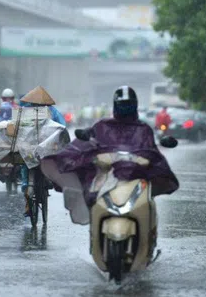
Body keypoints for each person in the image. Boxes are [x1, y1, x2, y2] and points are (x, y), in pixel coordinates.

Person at [41, 86, 179, 209]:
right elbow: (86, 145)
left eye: (129, 105)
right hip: (107, 176)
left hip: (137, 178)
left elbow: (152, 152)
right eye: (122, 105)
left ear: (135, 105)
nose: (125, 109)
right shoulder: (102, 126)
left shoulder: (144, 129)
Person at [18, 86, 67, 217]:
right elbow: (62, 126)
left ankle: (27, 203)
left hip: (29, 149)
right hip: (46, 149)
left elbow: (16, 127)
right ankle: (49, 181)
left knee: (25, 169)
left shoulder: (24, 111)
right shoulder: (52, 111)